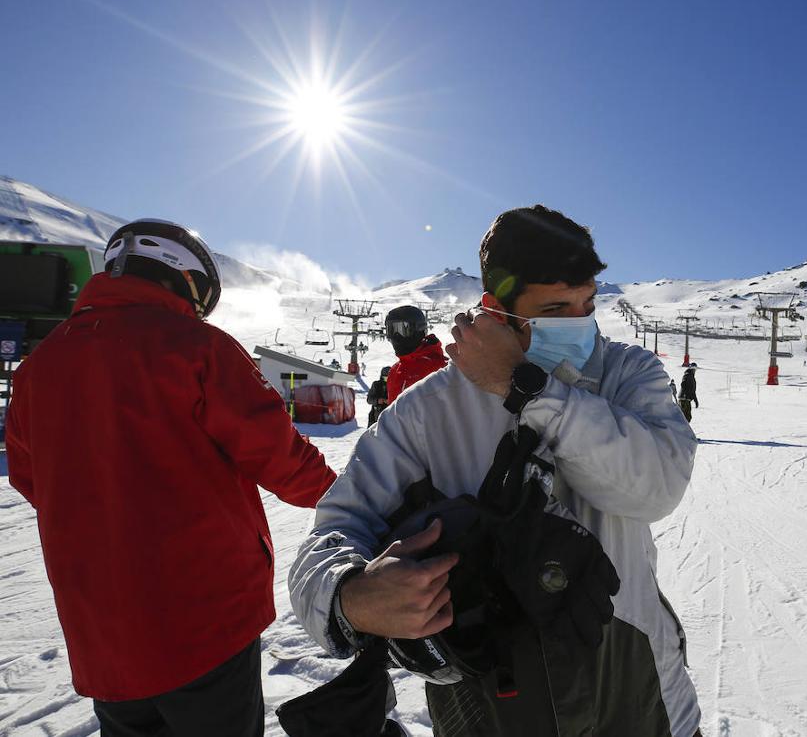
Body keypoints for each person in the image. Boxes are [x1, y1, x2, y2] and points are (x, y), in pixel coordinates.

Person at [289, 205, 701, 737]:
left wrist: (530, 389)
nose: (580, 323)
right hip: (485, 694)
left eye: (588, 304)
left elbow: (658, 488)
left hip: (630, 675)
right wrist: (349, 595)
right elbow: (334, 530)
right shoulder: (426, 411)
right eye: (556, 309)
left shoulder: (626, 373)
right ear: (496, 309)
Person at [4, 219, 337, 736]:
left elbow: (32, 480)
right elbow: (278, 456)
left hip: (99, 627)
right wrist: (349, 497)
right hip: (204, 616)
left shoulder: (36, 367)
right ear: (186, 279)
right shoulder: (195, 346)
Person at [384, 305, 447, 402]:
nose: (396, 336)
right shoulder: (395, 371)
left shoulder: (441, 367)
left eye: (403, 329)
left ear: (419, 330)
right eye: (391, 330)